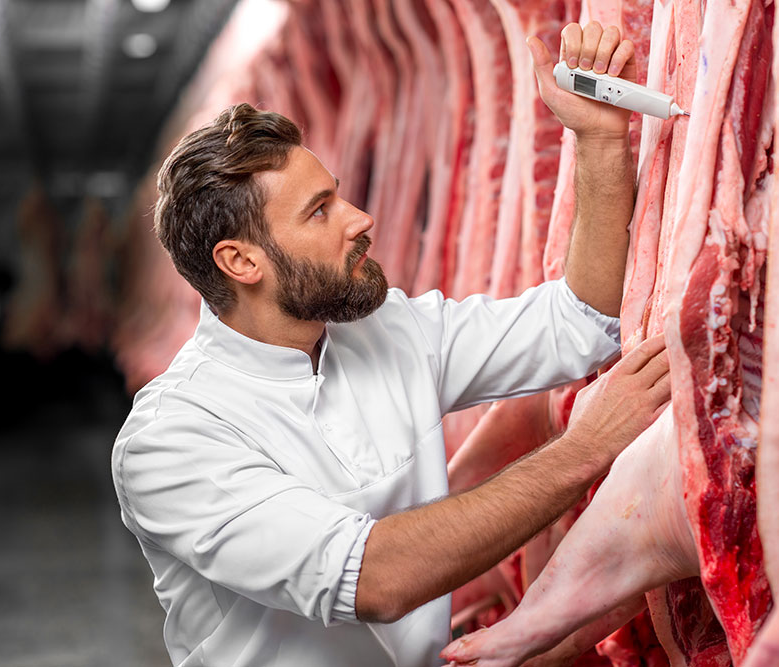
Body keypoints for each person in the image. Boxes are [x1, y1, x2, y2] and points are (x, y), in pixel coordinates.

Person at [112, 21, 671, 667]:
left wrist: (599, 139)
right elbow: (374, 578)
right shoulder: (173, 438)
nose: (360, 218)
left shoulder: (385, 331)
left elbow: (578, 322)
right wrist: (587, 447)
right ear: (241, 261)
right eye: (320, 210)